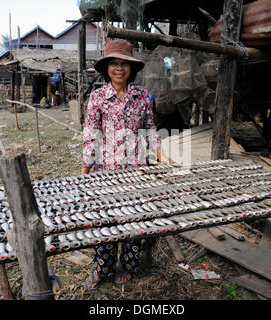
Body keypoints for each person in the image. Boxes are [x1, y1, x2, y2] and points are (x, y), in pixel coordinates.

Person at [82, 40, 173, 290]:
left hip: (136, 170)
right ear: (106, 68)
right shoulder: (98, 97)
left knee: (132, 221)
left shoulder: (142, 96)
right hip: (105, 173)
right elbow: (91, 135)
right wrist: (84, 171)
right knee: (104, 221)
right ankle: (103, 268)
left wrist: (160, 153)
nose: (119, 68)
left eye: (124, 63)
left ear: (132, 68)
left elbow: (150, 128)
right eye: (114, 63)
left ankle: (128, 265)